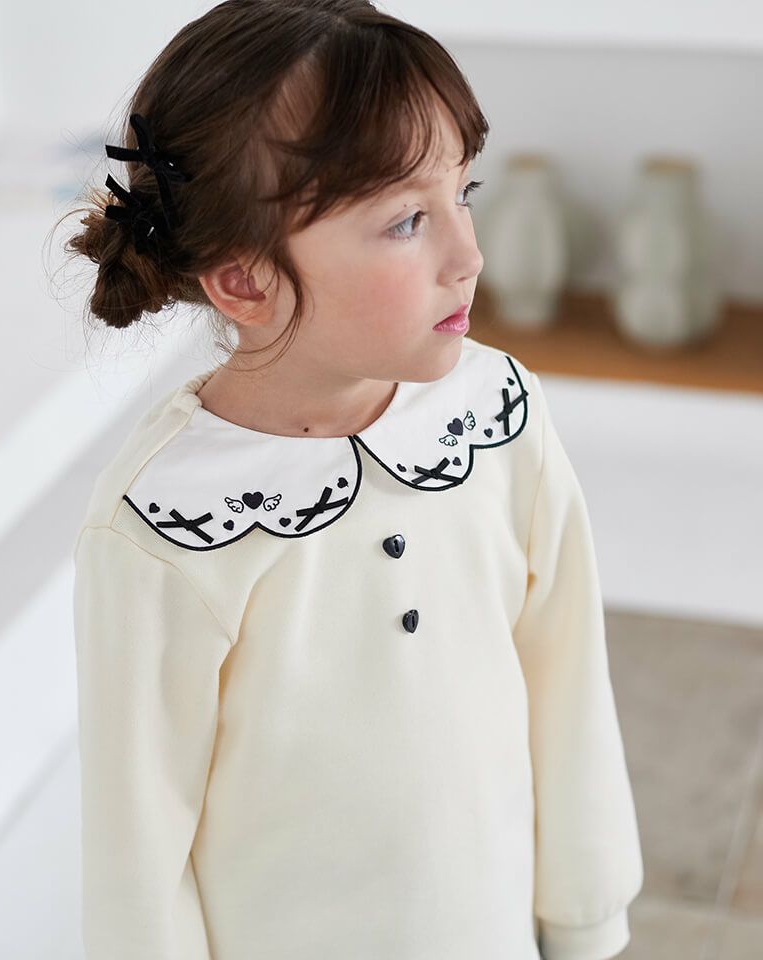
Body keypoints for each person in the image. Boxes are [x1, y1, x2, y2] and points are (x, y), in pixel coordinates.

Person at [64, 2, 644, 959]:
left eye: (464, 192)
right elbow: (139, 857)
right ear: (244, 280)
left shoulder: (498, 416)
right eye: (408, 220)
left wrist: (585, 919)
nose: (469, 255)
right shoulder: (165, 529)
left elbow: (567, 676)